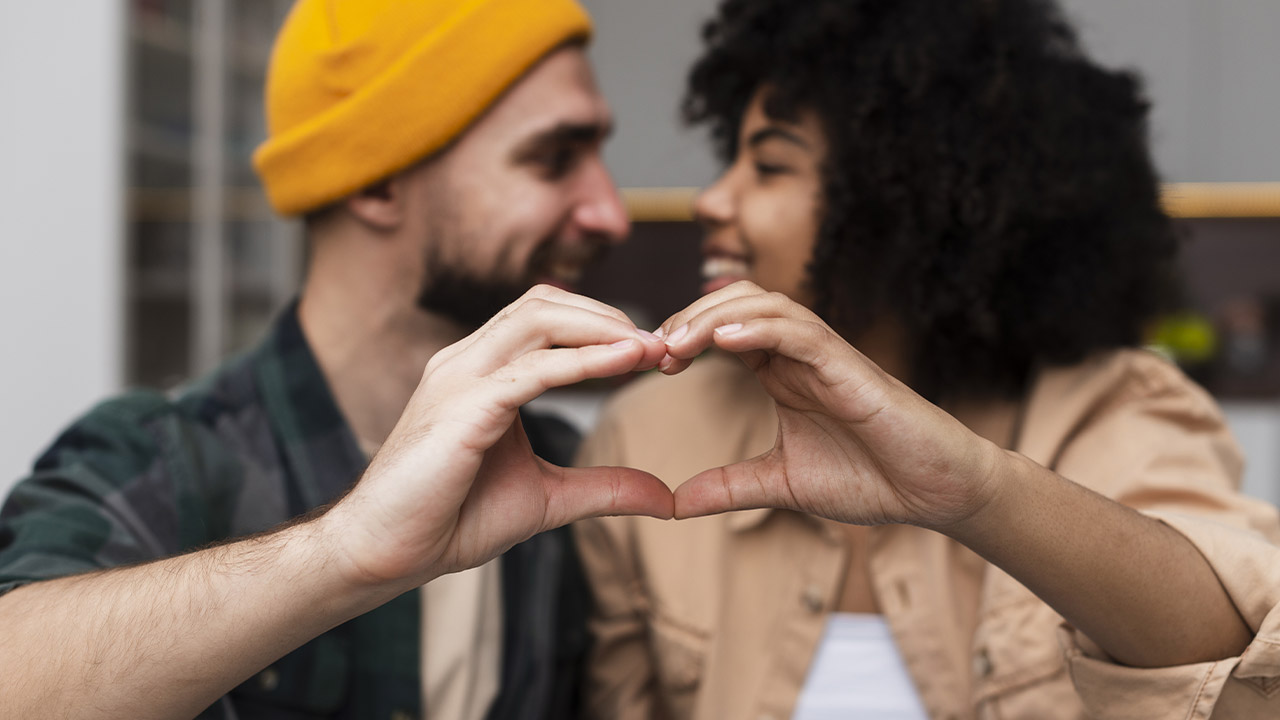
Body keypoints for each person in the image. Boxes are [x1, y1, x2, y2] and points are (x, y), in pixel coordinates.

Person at [574, 0, 1280, 718]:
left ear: (902, 196)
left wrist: (979, 492)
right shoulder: (647, 438)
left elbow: (1244, 680)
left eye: (771, 165)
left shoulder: (1117, 409)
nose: (713, 200)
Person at [0, 1, 675, 718]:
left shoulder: (560, 470)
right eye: (552, 159)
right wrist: (343, 549)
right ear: (378, 180)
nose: (610, 212)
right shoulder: (163, 456)